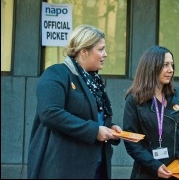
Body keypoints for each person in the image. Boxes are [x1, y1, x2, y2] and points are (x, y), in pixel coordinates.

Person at [27, 24, 123, 179]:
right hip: (63, 169)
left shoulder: (94, 81)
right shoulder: (56, 73)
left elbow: (91, 117)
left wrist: (109, 129)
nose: (105, 54)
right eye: (101, 49)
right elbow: (50, 113)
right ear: (84, 51)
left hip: (97, 167)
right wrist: (94, 131)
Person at [123, 45, 179, 179]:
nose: (171, 70)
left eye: (172, 65)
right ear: (152, 67)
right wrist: (154, 166)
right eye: (165, 65)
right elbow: (131, 142)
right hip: (147, 172)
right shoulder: (134, 100)